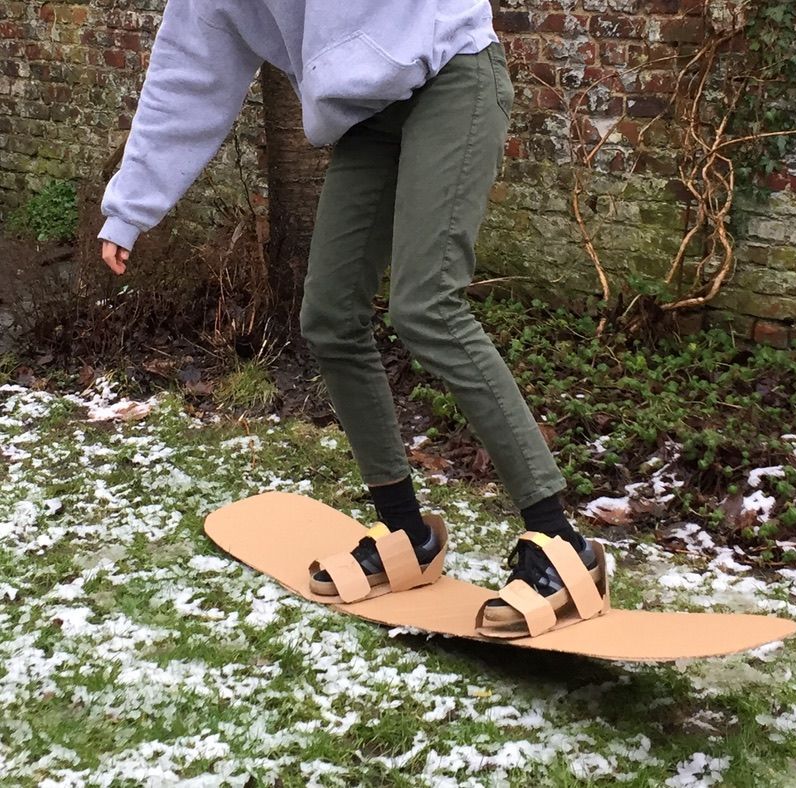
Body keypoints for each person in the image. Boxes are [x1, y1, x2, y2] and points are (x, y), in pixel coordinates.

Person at [99, 0, 605, 635]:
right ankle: (405, 530)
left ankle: (563, 542)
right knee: (330, 318)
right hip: (368, 115)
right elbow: (189, 72)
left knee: (428, 307)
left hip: (452, 70)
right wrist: (132, 206)